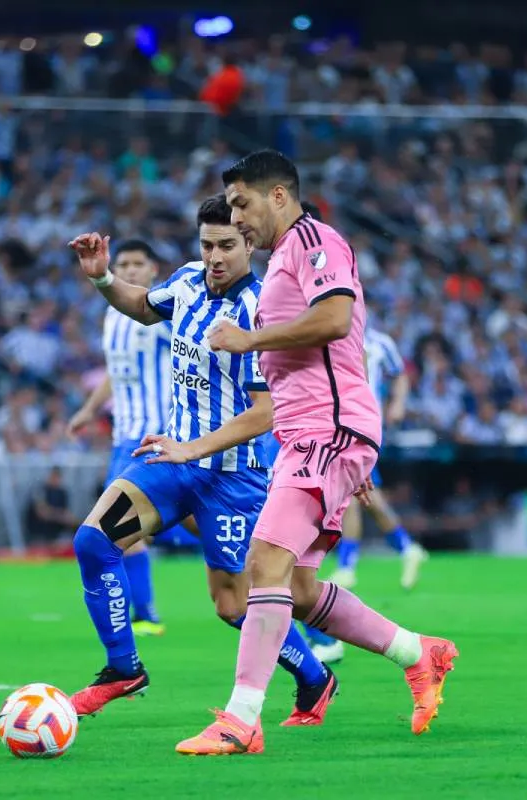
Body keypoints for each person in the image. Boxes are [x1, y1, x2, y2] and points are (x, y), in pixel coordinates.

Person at [179, 150, 459, 755]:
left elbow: (336, 319)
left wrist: (255, 342)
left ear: (278, 196)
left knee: (264, 563)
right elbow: (343, 351)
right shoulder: (284, 258)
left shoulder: (315, 240)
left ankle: (240, 720)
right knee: (298, 591)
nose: (237, 217)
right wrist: (351, 449)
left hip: (325, 432)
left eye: (242, 203)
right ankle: (421, 653)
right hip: (314, 435)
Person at [66, 194, 338, 726]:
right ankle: (123, 668)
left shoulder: (263, 312)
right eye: (207, 244)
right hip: (171, 462)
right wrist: (102, 279)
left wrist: (193, 447)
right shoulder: (188, 281)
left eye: (226, 246)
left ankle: (314, 677)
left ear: (249, 245)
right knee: (93, 541)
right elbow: (145, 307)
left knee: (234, 607)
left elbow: (264, 413)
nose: (215, 256)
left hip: (233, 478)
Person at [68, 239, 177, 637]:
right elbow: (115, 372)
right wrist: (88, 410)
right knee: (125, 531)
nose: (130, 271)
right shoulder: (113, 316)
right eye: (125, 263)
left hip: (157, 436)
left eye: (138, 264)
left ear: (153, 270)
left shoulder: (163, 315)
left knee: (121, 529)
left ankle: (145, 614)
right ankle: (145, 613)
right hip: (122, 437)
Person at [326, 325, 425, 591]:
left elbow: (400, 374)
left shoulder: (380, 342)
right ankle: (406, 548)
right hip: (345, 424)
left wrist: (398, 403)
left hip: (361, 426)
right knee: (366, 494)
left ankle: (347, 567)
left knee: (349, 496)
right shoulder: (332, 334)